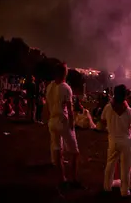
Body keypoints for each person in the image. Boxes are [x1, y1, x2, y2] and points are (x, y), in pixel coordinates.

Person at [46, 61, 81, 189]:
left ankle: (62, 179)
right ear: (64, 72)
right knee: (75, 152)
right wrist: (72, 124)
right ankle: (74, 179)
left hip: (52, 121)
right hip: (62, 121)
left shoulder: (49, 86)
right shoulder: (66, 87)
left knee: (57, 151)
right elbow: (69, 108)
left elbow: (47, 105)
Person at [102, 85, 131, 197]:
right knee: (126, 167)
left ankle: (107, 186)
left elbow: (103, 121)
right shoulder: (129, 111)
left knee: (110, 165)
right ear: (125, 95)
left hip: (113, 140)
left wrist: (110, 128)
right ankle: (124, 191)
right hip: (126, 141)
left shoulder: (108, 107)